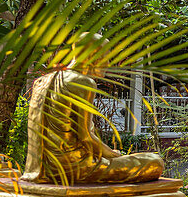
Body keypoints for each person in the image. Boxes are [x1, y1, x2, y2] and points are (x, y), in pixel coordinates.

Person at [23, 34, 164, 185]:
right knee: (155, 162)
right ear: (93, 55)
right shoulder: (83, 82)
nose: (108, 64)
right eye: (106, 57)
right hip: (73, 167)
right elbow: (85, 138)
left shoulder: (42, 81)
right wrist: (115, 156)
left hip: (40, 169)